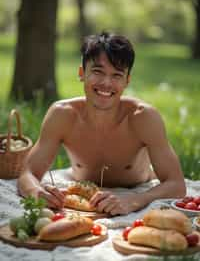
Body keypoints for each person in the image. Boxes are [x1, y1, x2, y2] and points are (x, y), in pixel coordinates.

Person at [18, 32, 186, 215]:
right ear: (82, 73)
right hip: (80, 192)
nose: (106, 83)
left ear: (127, 80)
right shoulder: (62, 114)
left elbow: (176, 185)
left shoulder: (143, 117)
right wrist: (36, 192)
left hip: (137, 188)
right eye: (98, 72)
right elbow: (27, 173)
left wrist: (135, 200)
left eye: (117, 75)